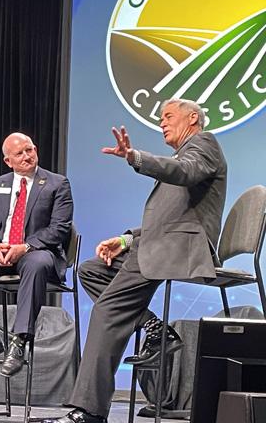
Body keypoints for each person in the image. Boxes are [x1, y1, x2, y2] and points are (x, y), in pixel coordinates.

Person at [45, 98, 227, 423]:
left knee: (108, 309)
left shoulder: (203, 145)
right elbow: (164, 221)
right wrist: (126, 240)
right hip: (160, 243)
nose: (162, 123)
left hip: (179, 248)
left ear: (194, 117)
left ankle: (88, 410)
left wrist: (134, 157)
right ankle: (154, 328)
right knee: (92, 271)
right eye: (160, 118)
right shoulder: (185, 153)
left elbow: (183, 173)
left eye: (168, 116)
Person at [0, 132, 73, 377]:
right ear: (8, 161)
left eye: (29, 150)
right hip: (0, 253)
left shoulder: (56, 183)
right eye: (19, 153)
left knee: (37, 264)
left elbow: (59, 228)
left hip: (37, 251)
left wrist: (25, 247)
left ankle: (20, 341)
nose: (27, 156)